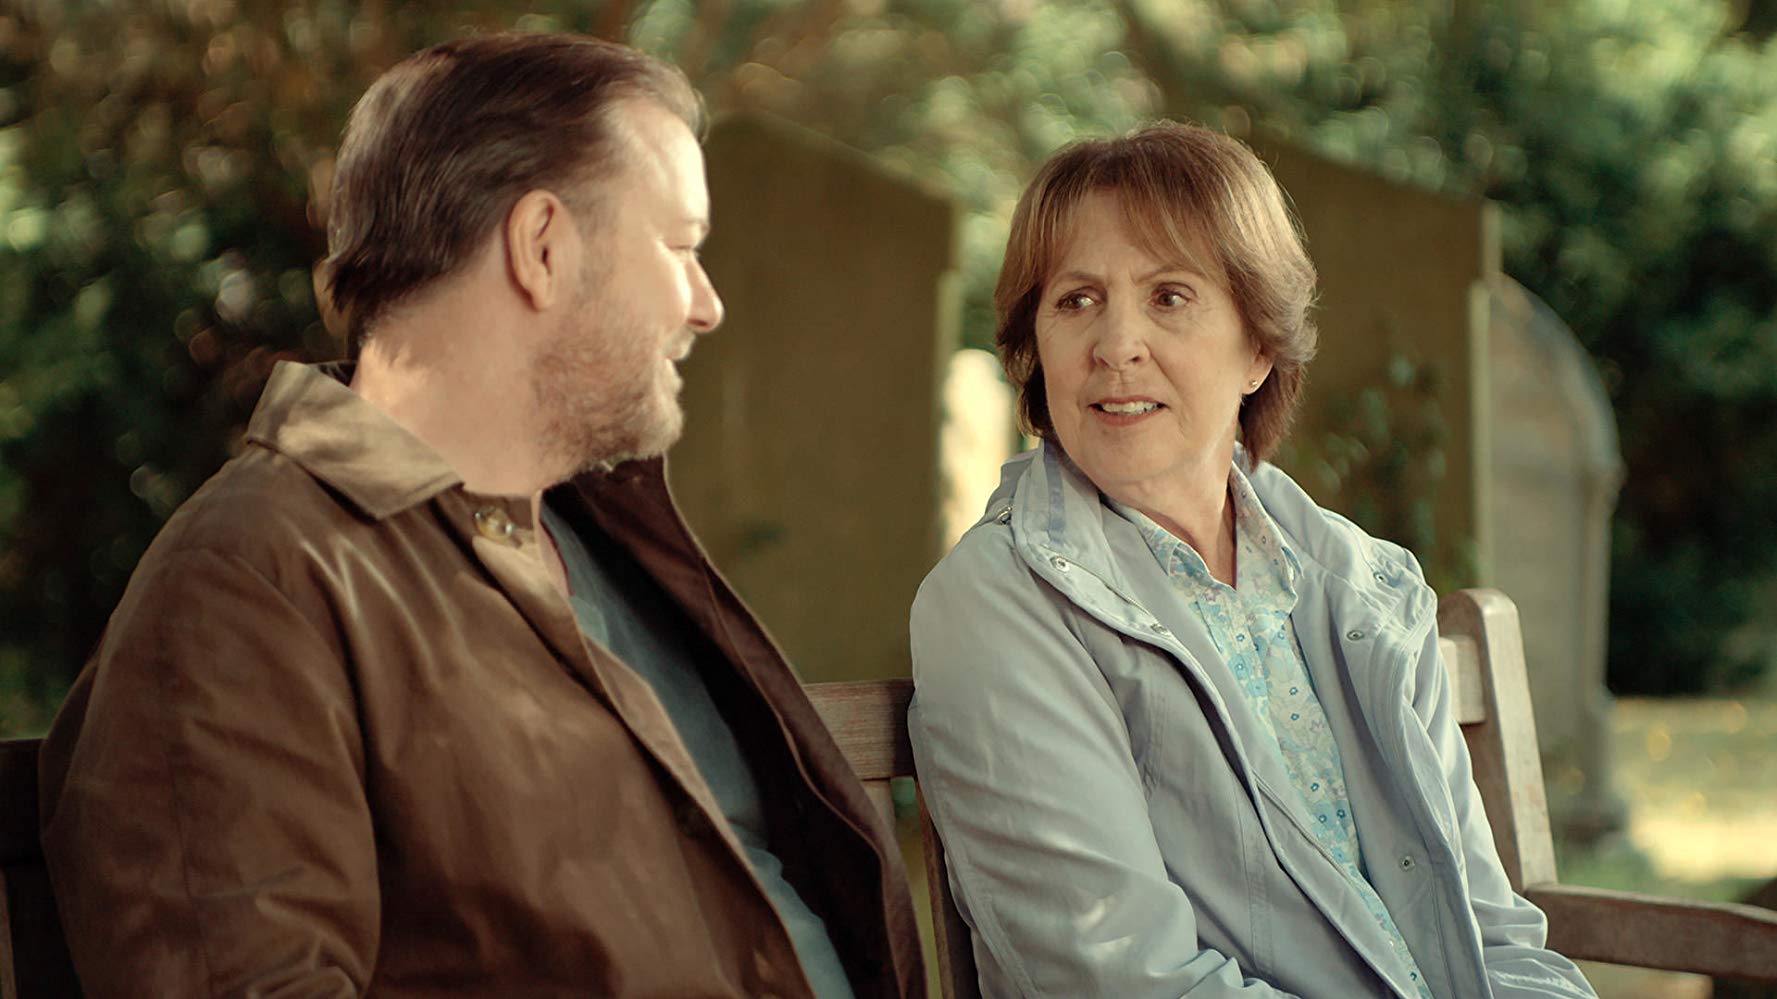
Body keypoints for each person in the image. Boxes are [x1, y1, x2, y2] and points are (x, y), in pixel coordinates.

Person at [38, 32, 923, 998]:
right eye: (679, 248)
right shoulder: (249, 581)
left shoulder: (597, 538)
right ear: (542, 247)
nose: (705, 305)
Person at [907, 121, 1595, 998]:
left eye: (1168, 296)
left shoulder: (1368, 587)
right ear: (1034, 348)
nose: (1115, 344)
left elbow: (1489, 934)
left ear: (1259, 346)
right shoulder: (998, 604)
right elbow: (1121, 978)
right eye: (1075, 300)